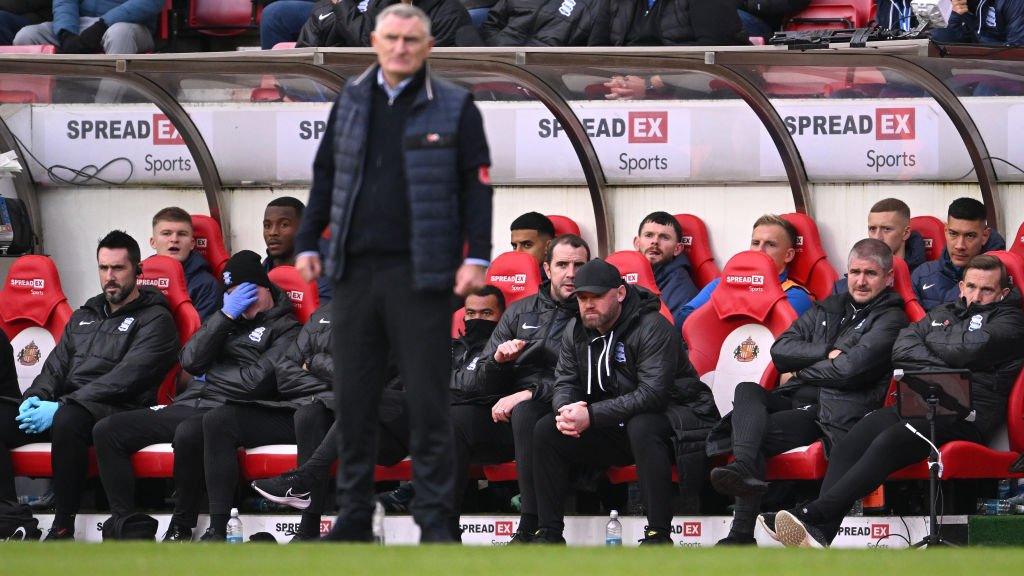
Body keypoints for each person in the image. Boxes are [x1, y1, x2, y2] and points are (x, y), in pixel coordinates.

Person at [292, 2, 493, 543]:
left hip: (422, 273)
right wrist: (308, 240)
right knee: (355, 400)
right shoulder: (352, 100)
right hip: (356, 271)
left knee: (428, 402)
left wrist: (478, 256)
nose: (401, 47)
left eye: (411, 39)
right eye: (391, 38)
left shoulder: (454, 104)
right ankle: (353, 516)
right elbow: (326, 174)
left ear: (427, 47)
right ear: (375, 43)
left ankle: (436, 522)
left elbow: (476, 185)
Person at [772, 254, 1024, 548]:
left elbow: (968, 351)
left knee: (891, 439)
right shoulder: (944, 312)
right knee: (855, 438)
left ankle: (814, 512)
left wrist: (933, 342)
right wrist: (947, 352)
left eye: (986, 290)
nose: (976, 296)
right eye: (971, 287)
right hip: (919, 402)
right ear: (960, 286)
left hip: (967, 415)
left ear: (1003, 293)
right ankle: (820, 534)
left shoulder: (1013, 321)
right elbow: (902, 347)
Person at [707, 239, 909, 546]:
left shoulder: (891, 317)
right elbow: (780, 351)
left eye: (871, 273)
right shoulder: (829, 306)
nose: (861, 280)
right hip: (798, 402)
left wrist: (802, 370)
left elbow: (851, 370)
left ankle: (740, 529)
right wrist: (828, 352)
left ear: (889, 278)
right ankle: (744, 480)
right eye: (855, 272)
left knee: (752, 433)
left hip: (836, 411)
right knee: (748, 393)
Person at [255, 285, 506, 527]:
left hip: (462, 426)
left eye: (486, 313)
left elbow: (473, 385)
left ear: (501, 316)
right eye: (471, 313)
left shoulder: (503, 349)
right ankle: (304, 487)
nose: (477, 319)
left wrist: (316, 361)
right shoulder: (451, 347)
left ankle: (303, 480)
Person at [93, 251, 300, 542]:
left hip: (228, 410)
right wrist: (225, 315)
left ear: (262, 287)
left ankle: (181, 524)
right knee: (108, 430)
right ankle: (125, 524)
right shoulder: (227, 318)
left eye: (243, 291)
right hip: (191, 402)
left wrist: (211, 374)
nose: (237, 298)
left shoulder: (287, 329)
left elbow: (255, 383)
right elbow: (190, 360)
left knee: (191, 432)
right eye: (229, 292)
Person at [0, 231, 178, 540]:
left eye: (118, 268)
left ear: (138, 271)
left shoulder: (156, 319)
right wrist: (36, 397)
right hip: (69, 404)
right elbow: (54, 366)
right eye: (103, 268)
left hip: (120, 409)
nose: (110, 277)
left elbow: (127, 379)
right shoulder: (85, 315)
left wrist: (64, 405)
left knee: (69, 420)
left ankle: (62, 524)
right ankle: (7, 515)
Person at [530, 258, 719, 544]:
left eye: (596, 296)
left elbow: (653, 394)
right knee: (547, 429)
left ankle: (658, 533)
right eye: (582, 298)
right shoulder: (575, 330)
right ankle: (548, 534)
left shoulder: (652, 326)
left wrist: (591, 415)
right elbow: (565, 381)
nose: (588, 304)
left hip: (678, 420)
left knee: (642, 425)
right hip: (614, 423)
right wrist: (566, 410)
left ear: (619, 294)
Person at [471, 234, 588, 542]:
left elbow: (586, 381)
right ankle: (441, 528)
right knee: (454, 421)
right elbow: (481, 380)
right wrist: (498, 360)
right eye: (562, 265)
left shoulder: (591, 314)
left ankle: (530, 521)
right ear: (547, 269)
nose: (571, 273)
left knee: (526, 413)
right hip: (506, 409)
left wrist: (529, 393)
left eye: (579, 265)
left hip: (561, 407)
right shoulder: (519, 311)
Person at [200, 301, 335, 542]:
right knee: (219, 420)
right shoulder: (323, 314)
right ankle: (218, 530)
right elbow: (284, 373)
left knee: (310, 415)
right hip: (296, 404)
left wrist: (312, 364)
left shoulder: (382, 313)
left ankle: (309, 531)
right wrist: (322, 380)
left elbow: (361, 376)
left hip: (338, 413)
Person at [679, 214, 813, 326]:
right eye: (756, 243)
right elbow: (683, 319)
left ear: (788, 255)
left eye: (771, 244)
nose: (760, 250)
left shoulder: (796, 296)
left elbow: (766, 328)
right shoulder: (721, 284)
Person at [912, 197, 1005, 311]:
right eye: (953, 234)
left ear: (984, 236)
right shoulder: (922, 275)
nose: (960, 245)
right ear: (945, 231)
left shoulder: (999, 280)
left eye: (970, 236)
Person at [832, 198, 927, 294]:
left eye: (886, 229)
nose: (877, 237)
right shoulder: (842, 288)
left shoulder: (924, 282)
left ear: (906, 233)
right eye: (872, 229)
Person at [149, 207, 222, 321]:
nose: (174, 239)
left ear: (192, 243)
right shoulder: (139, 276)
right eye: (166, 233)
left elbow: (203, 335)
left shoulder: (206, 285)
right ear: (153, 242)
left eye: (182, 234)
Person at [14, 0, 161, 54]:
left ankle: (106, 107)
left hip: (131, 25)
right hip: (81, 24)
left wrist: (103, 24)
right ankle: (37, 106)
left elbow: (149, 2)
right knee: (26, 36)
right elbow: (64, 2)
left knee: (119, 34)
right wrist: (66, 32)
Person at [633, 211, 698, 328]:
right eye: (649, 235)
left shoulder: (682, 288)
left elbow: (667, 334)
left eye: (664, 237)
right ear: (637, 243)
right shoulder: (622, 272)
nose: (655, 242)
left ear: (677, 249)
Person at [262, 196, 332, 302]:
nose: (272, 232)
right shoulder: (261, 272)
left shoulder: (325, 272)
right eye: (267, 226)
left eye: (284, 225)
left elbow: (325, 314)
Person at [481, 0, 609, 46]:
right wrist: (497, 45)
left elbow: (593, 49)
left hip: (547, 72)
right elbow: (492, 24)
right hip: (501, 62)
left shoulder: (596, 5)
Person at [931, 1, 1024, 52]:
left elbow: (1016, 49)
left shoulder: (1014, 3)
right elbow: (941, 41)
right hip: (974, 62)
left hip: (1006, 69)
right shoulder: (960, 3)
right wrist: (952, 14)